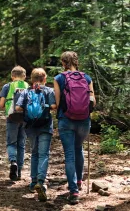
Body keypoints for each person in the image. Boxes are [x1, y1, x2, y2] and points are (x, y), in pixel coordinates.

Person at [54, 51, 96, 205]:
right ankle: (79, 181)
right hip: (84, 120)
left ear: (63, 62)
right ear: (76, 62)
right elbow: (93, 101)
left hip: (66, 120)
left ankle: (74, 191)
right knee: (79, 149)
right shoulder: (87, 78)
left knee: (70, 154)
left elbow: (58, 103)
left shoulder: (59, 78)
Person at [15, 68, 57, 202]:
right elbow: (54, 106)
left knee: (34, 153)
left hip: (31, 127)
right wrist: (46, 107)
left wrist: (30, 109)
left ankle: (33, 183)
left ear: (32, 79)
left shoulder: (27, 91)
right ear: (44, 78)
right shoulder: (49, 90)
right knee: (44, 154)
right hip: (45, 126)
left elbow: (17, 108)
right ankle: (41, 180)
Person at [0, 66, 29, 181]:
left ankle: (13, 162)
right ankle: (19, 172)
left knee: (11, 143)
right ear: (24, 76)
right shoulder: (28, 86)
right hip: (25, 118)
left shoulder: (7, 86)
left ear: (12, 76)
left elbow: (1, 104)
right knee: (21, 144)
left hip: (12, 117)